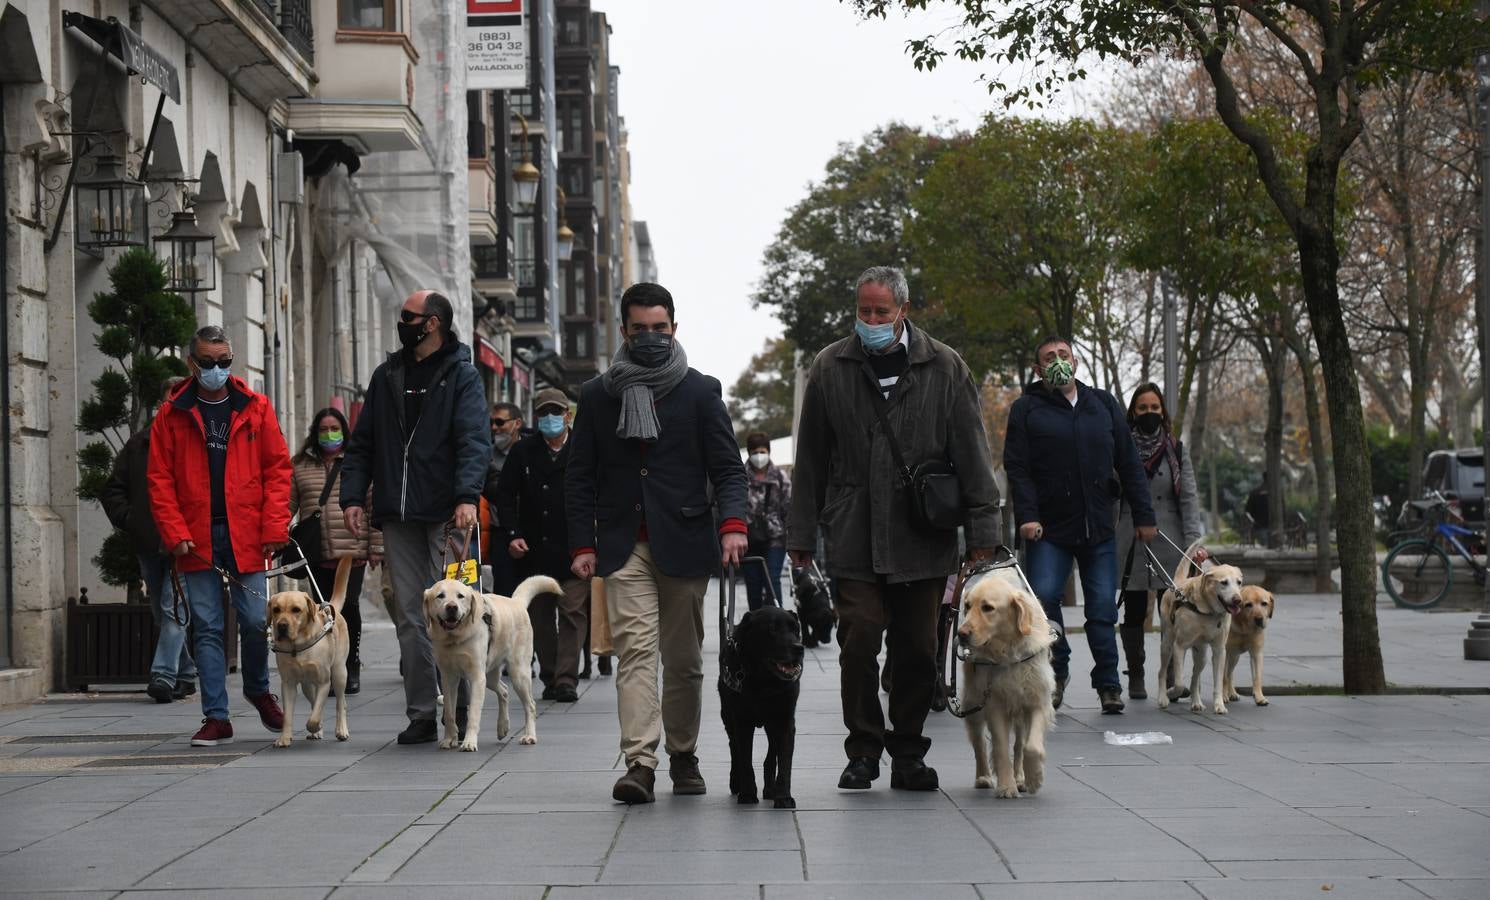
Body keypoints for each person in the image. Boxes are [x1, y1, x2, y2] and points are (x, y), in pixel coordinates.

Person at [788, 266, 1000, 793]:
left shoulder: (945, 366)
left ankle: (908, 750)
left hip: (921, 534)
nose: (872, 320)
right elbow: (810, 457)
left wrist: (983, 532)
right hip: (852, 529)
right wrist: (799, 534)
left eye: (882, 312)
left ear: (903, 310)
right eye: (864, 311)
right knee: (857, 639)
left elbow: (973, 453)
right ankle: (862, 750)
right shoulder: (830, 366)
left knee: (918, 650)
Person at [566, 282, 749, 804]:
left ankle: (683, 753)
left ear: (674, 328)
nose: (650, 337)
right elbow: (579, 476)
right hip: (624, 547)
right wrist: (583, 543)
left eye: (659, 329)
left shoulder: (700, 390)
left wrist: (733, 524)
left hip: (686, 543)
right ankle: (640, 764)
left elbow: (728, 469)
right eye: (640, 329)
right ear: (623, 331)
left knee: (685, 660)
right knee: (636, 655)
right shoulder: (598, 395)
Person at [340, 289, 490, 745]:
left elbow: (473, 439)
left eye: (409, 316)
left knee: (461, 608)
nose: (402, 322)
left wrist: (467, 496)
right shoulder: (386, 375)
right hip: (397, 515)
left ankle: (463, 707)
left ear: (434, 323)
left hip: (448, 513)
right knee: (411, 615)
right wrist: (351, 496)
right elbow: (362, 442)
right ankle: (424, 712)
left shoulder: (462, 375)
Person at [147, 325, 292, 746]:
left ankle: (259, 690)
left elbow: (277, 471)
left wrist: (273, 528)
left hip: (247, 531)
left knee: (253, 619)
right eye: (208, 362)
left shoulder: (256, 406)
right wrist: (174, 533)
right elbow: (159, 479)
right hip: (196, 535)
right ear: (192, 363)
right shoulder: (172, 413)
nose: (217, 370)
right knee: (207, 626)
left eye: (224, 362)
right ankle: (216, 715)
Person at [1003, 336, 1156, 715]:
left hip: (1099, 527)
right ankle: (1057, 670)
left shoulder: (1102, 404)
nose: (1058, 361)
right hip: (1048, 530)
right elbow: (1017, 468)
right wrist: (1027, 516)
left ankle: (1108, 684)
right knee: (1043, 600)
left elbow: (1129, 462)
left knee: (1103, 608)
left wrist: (1144, 515)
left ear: (1075, 361)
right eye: (1049, 358)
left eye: (1063, 355)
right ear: (1039, 370)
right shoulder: (1025, 409)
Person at [100, 376, 197, 704]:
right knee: (161, 609)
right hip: (149, 542)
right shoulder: (139, 444)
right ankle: (185, 672)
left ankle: (163, 675)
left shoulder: (198, 444)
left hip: (185, 544)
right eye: (172, 396)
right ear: (161, 404)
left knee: (173, 609)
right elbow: (113, 488)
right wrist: (131, 520)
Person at [496, 387, 590, 703]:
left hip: (576, 549)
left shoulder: (585, 446)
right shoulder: (523, 451)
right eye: (544, 413)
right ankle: (551, 675)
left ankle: (566, 679)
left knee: (573, 611)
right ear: (537, 418)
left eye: (556, 412)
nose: (551, 418)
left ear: (568, 415)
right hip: (533, 552)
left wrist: (595, 541)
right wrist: (513, 534)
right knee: (538, 618)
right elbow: (505, 495)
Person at [1116, 383, 1206, 700]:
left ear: (1163, 412)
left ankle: (1170, 673)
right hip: (1131, 538)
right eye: (1143, 408)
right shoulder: (1119, 449)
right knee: (1135, 608)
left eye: (1155, 408)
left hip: (1171, 541)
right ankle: (1136, 674)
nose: (1150, 413)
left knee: (1172, 609)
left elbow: (1190, 499)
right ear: (1133, 413)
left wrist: (1195, 546)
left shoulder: (1176, 450)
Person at [290, 407, 382, 695]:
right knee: (320, 610)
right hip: (315, 550)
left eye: (335, 428)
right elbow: (288, 504)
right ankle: (325, 664)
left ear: (344, 430)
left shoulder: (359, 463)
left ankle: (351, 662)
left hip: (350, 549)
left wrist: (376, 547)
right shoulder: (299, 465)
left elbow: (373, 507)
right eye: (324, 429)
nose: (330, 434)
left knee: (349, 608)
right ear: (315, 434)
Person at [742, 431, 791, 611]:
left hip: (775, 538)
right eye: (755, 452)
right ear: (749, 453)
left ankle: (778, 620)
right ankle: (756, 622)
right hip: (747, 539)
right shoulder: (739, 476)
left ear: (769, 451)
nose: (759, 456)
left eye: (762, 451)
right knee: (753, 583)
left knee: (772, 578)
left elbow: (789, 507)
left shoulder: (780, 477)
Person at [484, 402, 525, 594]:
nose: (494, 427)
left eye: (500, 422)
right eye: (491, 422)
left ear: (517, 423)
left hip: (530, 530)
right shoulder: (486, 455)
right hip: (500, 532)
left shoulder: (530, 449)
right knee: (504, 594)